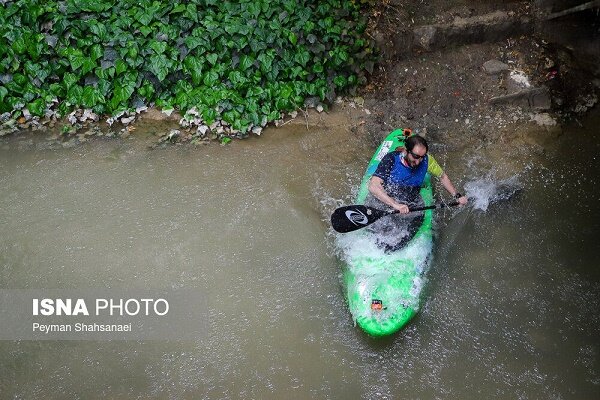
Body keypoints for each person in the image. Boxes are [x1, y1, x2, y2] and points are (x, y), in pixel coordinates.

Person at [366, 134, 468, 251]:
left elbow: (443, 177)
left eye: (422, 157)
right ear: (406, 151)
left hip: (411, 203)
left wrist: (457, 196)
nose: (419, 161)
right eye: (415, 156)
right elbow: (373, 186)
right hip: (385, 202)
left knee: (416, 221)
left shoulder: (427, 159)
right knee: (379, 232)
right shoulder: (391, 159)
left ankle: (397, 249)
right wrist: (395, 204)